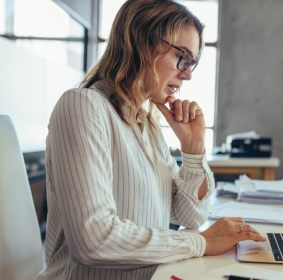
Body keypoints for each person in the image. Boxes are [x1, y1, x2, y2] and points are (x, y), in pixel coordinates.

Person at [37, 1, 265, 279]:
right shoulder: (83, 106)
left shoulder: (147, 124)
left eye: (193, 62)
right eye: (183, 57)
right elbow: (94, 240)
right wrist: (201, 243)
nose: (188, 74)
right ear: (141, 43)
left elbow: (189, 217)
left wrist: (194, 151)